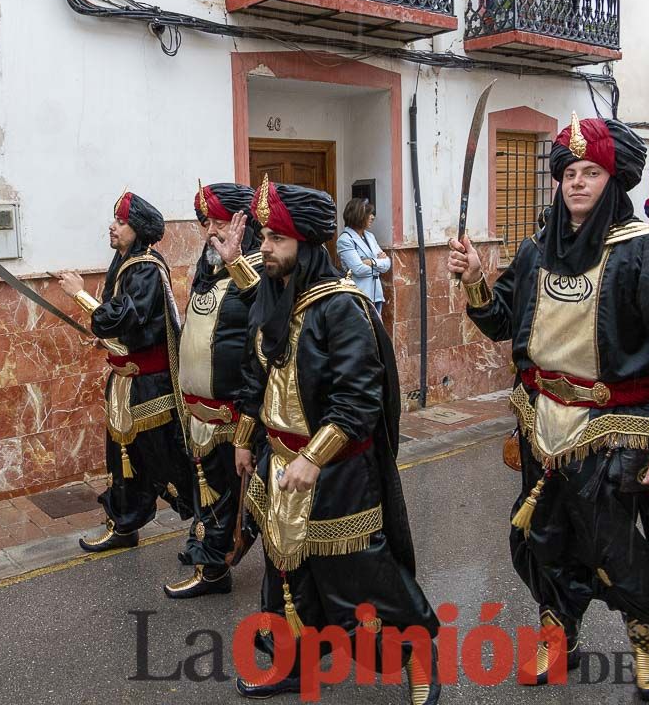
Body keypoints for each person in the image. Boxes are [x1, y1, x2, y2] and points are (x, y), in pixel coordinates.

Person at [448, 114, 649, 701]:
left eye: (590, 171)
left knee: (609, 545)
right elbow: (500, 321)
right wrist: (472, 280)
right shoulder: (538, 248)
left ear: (613, 180)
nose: (576, 181)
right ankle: (558, 630)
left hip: (615, 427)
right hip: (541, 421)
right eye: (568, 172)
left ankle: (645, 631)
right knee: (540, 539)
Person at [232, 177, 440, 703]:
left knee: (360, 580)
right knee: (287, 578)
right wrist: (242, 439)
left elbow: (360, 400)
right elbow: (257, 376)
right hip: (278, 464)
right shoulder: (272, 297)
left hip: (337, 473)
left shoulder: (340, 306)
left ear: (305, 243)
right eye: (264, 236)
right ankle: (296, 665)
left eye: (276, 239)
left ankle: (416, 656)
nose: (265, 248)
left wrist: (312, 457)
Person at [56, 191, 194, 552]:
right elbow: (133, 328)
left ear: (138, 229)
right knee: (122, 460)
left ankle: (209, 525)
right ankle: (124, 525)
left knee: (167, 460)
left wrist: (80, 295)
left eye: (120, 222)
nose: (112, 227)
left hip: (150, 388)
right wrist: (110, 343)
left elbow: (121, 315)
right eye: (114, 220)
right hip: (125, 384)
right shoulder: (125, 262)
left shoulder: (146, 267)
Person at [165, 182, 265, 599]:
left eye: (219, 221)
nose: (210, 231)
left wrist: (246, 424)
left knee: (228, 499)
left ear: (245, 223)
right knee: (208, 494)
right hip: (200, 413)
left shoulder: (257, 271)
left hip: (233, 415)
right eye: (206, 222)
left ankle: (214, 568)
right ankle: (205, 550)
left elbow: (265, 341)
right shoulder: (208, 268)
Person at [337, 197, 390, 312]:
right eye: (369, 214)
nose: (372, 217)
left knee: (376, 329)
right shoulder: (345, 239)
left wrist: (371, 262)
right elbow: (358, 270)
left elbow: (387, 263)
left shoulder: (370, 236)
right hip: (359, 296)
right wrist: (378, 264)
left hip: (376, 295)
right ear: (358, 216)